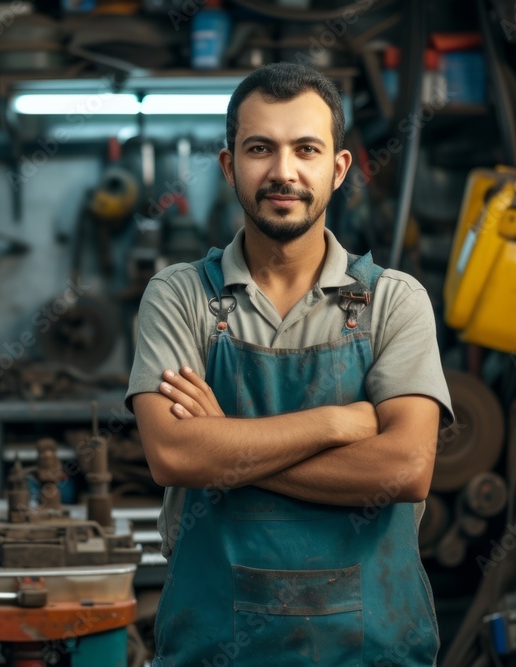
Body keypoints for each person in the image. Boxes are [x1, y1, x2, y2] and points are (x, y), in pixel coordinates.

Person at [126, 62, 455, 666]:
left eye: (306, 149)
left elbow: (406, 468)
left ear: (338, 168)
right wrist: (336, 425)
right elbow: (174, 456)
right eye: (260, 149)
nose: (284, 172)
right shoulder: (179, 297)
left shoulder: (393, 302)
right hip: (214, 648)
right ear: (230, 166)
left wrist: (222, 445)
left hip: (371, 651)